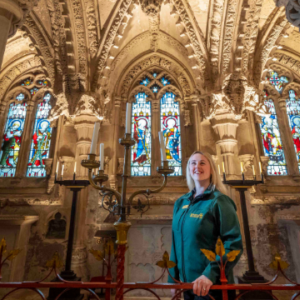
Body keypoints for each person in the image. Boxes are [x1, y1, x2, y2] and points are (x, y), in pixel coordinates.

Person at [168, 151, 243, 300]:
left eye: (202, 163)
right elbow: (175, 244)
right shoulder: (181, 203)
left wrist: (209, 275)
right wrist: (173, 280)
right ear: (189, 168)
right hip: (186, 285)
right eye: (193, 163)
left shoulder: (220, 201)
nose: (197, 166)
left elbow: (233, 244)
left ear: (211, 169)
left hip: (211, 285)